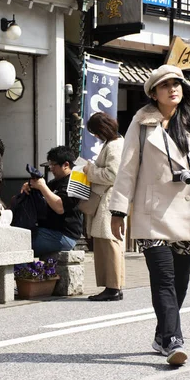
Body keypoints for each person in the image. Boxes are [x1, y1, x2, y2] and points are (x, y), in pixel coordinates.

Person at [108, 64, 190, 366]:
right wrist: (118, 210)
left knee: (181, 283)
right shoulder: (141, 121)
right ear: (153, 92)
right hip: (152, 215)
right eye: (165, 85)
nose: (172, 88)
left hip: (187, 214)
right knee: (163, 279)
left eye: (177, 83)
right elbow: (127, 168)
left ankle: (163, 333)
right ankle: (174, 340)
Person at [82, 112, 125, 302]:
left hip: (109, 199)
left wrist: (90, 170)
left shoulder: (114, 145)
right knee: (108, 243)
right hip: (110, 198)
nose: (95, 136)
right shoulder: (115, 144)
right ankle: (113, 286)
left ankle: (113, 287)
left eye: (95, 132)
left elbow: (112, 174)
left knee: (109, 243)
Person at [20, 146, 83, 256]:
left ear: (66, 165)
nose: (51, 168)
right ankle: (26, 272)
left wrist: (42, 186)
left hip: (63, 235)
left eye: (54, 165)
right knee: (19, 239)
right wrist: (30, 186)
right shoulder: (56, 181)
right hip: (47, 230)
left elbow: (60, 208)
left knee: (22, 246)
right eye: (50, 164)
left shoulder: (75, 182)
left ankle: (26, 272)